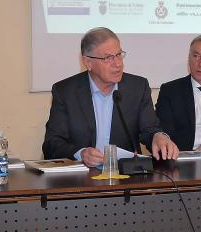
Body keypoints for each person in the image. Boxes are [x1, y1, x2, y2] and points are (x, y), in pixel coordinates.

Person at [42, 27, 179, 166]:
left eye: (119, 54)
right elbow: (51, 144)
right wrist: (81, 154)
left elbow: (149, 130)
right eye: (108, 58)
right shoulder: (65, 92)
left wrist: (158, 137)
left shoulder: (137, 87)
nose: (118, 64)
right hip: (82, 174)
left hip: (125, 173)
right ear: (88, 62)